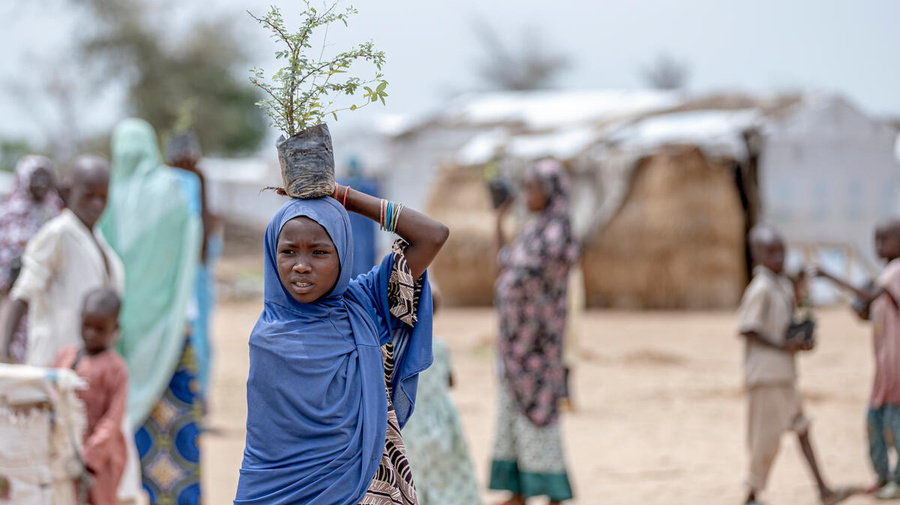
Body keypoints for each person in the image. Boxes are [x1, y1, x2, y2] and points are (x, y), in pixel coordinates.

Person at [234, 184, 449, 505]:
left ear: (343, 253)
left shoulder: (365, 305)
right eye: (288, 251)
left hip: (360, 489)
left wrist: (342, 196)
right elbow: (264, 447)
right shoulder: (267, 336)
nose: (301, 265)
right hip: (273, 490)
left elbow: (432, 235)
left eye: (319, 252)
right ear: (271, 253)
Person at [99, 118, 203, 505]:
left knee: (128, 426)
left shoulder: (107, 198)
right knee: (176, 423)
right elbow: (193, 246)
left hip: (124, 337)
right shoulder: (173, 190)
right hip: (174, 330)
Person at [737, 226, 851, 505]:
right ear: (757, 255)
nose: (779, 257)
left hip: (785, 374)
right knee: (765, 439)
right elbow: (747, 328)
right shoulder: (760, 289)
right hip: (766, 376)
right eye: (771, 252)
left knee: (802, 428)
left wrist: (800, 338)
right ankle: (751, 495)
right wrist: (782, 346)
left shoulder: (782, 285)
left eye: (781, 251)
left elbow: (782, 326)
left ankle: (823, 489)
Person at [489, 159, 578, 505]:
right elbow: (503, 263)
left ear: (551, 189)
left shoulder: (559, 231)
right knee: (513, 411)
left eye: (533, 188)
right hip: (514, 341)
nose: (528, 194)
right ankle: (519, 490)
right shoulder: (534, 227)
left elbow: (528, 276)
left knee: (540, 413)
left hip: (537, 344)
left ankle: (554, 493)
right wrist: (499, 218)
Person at [2, 155, 124, 367]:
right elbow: (22, 294)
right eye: (89, 195)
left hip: (86, 367)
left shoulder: (99, 239)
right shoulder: (57, 234)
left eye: (103, 197)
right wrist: (3, 351)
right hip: (55, 362)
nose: (96, 204)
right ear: (68, 192)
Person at [815, 219, 900, 498]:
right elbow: (872, 310)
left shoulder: (895, 273)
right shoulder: (885, 276)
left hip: (897, 370)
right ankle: (882, 476)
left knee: (894, 426)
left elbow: (871, 294)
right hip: (884, 370)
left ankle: (897, 481)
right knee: (875, 424)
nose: (878, 247)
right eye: (875, 240)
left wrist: (830, 276)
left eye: (884, 240)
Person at [401, 285, 481, 505]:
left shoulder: (399, 349)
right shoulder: (440, 346)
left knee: (414, 471)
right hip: (442, 421)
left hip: (411, 423)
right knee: (445, 474)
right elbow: (450, 381)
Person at [54, 288, 129, 505]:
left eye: (100, 329)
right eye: (87, 325)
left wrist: (89, 457)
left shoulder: (116, 369)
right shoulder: (65, 356)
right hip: (64, 451)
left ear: (114, 329)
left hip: (100, 460)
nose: (91, 334)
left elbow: (112, 420)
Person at [167, 131, 222, 403]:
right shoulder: (170, 182)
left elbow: (204, 227)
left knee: (199, 336)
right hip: (177, 271)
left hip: (197, 273)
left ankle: (199, 395)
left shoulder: (199, 179)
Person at [0, 155, 63, 363]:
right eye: (35, 178)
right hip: (11, 293)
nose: (41, 184)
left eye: (46, 177)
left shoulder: (56, 213)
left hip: (46, 295)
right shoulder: (8, 214)